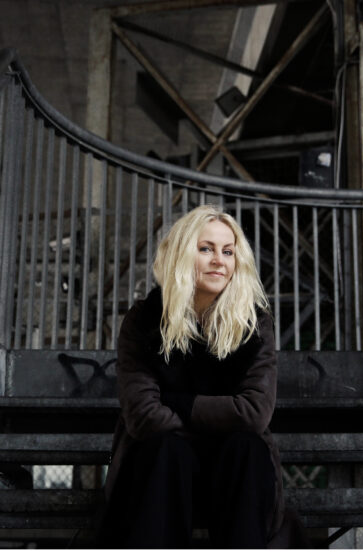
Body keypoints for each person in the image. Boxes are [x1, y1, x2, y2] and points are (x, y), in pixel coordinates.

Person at [96, 204, 286, 549]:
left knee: (246, 447)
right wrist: (218, 415)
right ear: (182, 255)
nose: (219, 261)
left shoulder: (254, 324)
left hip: (234, 478)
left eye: (228, 251)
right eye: (206, 249)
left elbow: (254, 414)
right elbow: (143, 416)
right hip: (161, 476)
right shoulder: (144, 319)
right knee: (165, 449)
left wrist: (180, 403)